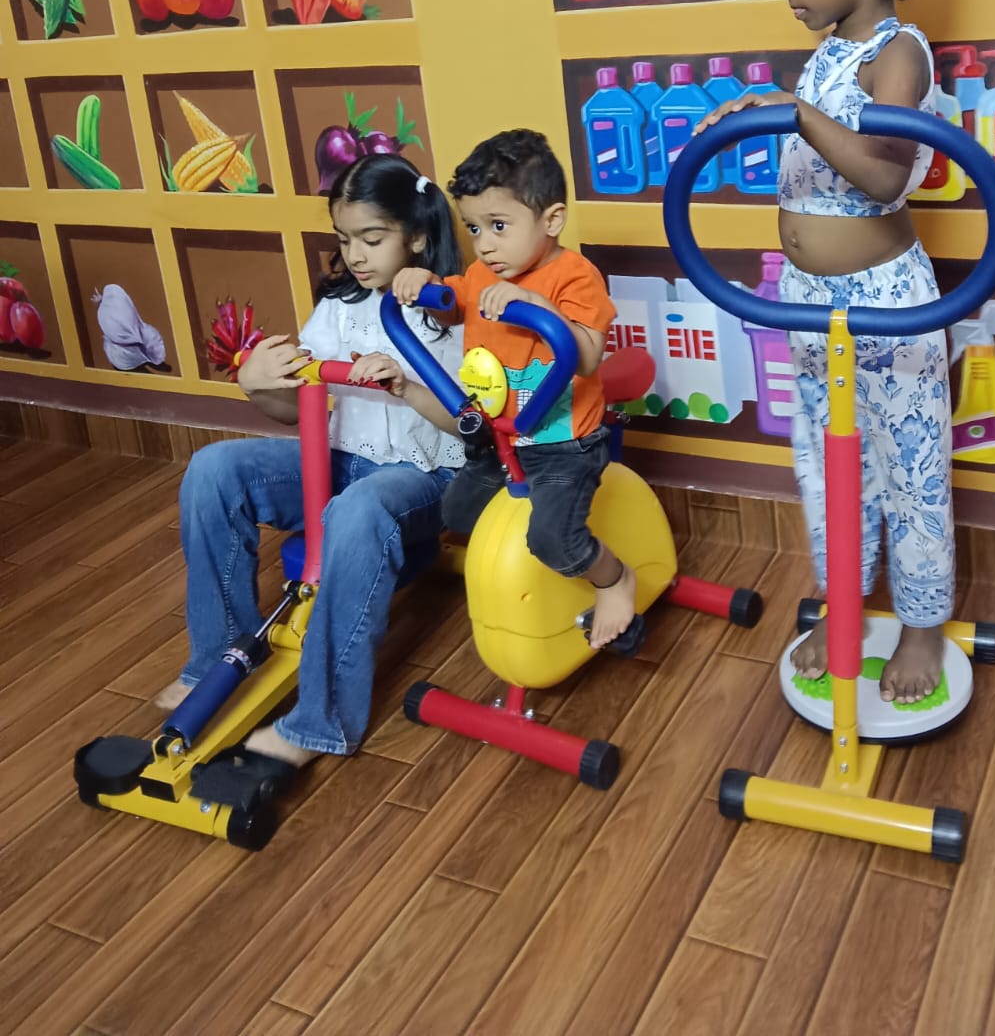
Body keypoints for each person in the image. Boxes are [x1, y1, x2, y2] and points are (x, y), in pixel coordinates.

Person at [699, 0, 955, 704]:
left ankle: (922, 625)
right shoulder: (828, 52)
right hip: (810, 302)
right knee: (827, 463)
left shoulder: (897, 54)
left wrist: (797, 113)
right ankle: (843, 603)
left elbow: (883, 175)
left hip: (885, 302)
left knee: (911, 468)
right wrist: (781, 108)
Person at [154, 154, 466, 765]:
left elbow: (470, 425)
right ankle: (218, 656)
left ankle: (321, 722)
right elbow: (296, 410)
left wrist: (405, 384)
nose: (356, 255)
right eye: (345, 240)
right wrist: (257, 384)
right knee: (213, 470)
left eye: (372, 239)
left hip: (425, 475)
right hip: (339, 462)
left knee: (359, 509)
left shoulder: (449, 309)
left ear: (417, 235)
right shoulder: (339, 307)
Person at [392, 128, 635, 649]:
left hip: (562, 443)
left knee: (554, 542)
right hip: (499, 436)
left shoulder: (575, 277)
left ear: (552, 219)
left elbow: (587, 356)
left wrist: (541, 308)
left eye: (499, 226)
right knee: (456, 514)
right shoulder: (482, 273)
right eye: (474, 228)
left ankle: (614, 580)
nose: (484, 244)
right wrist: (424, 285)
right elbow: (452, 304)